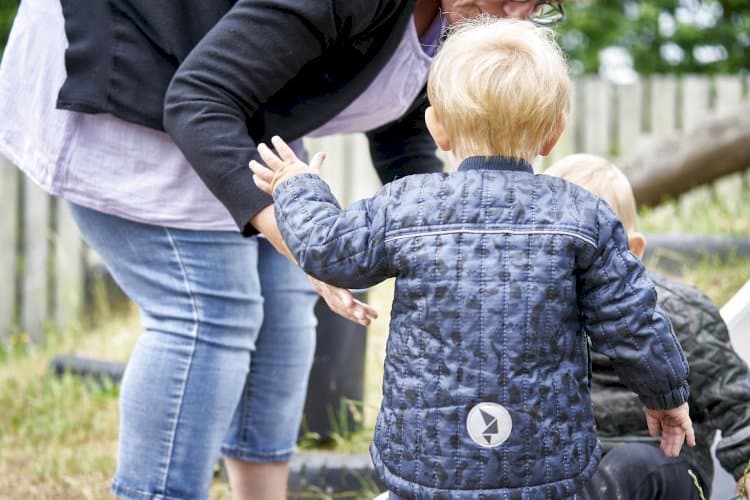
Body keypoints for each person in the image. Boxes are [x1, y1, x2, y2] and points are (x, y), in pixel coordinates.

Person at [0, 1, 567, 498]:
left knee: (285, 309)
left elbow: (402, 125)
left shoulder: (453, 20)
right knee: (209, 311)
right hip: (140, 68)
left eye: (538, 2)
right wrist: (308, 245)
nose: (516, 15)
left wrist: (452, 231)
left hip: (234, 99)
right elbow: (199, 97)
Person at [250, 18, 695, 499]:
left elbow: (328, 249)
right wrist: (666, 395)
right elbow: (633, 322)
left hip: (425, 464)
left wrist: (297, 186)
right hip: (543, 468)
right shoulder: (584, 216)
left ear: (436, 127)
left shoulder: (407, 205)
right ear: (554, 134)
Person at [545, 153, 750, 500]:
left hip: (664, 465)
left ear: (633, 251)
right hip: (571, 470)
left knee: (632, 464)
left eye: (584, 254)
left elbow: (736, 401)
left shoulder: (678, 313)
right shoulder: (538, 318)